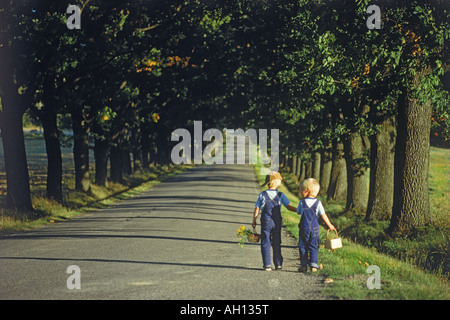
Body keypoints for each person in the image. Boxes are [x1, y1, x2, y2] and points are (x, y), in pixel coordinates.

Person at [252, 172, 297, 271]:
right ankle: (278, 263)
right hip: (276, 222)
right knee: (276, 242)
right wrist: (297, 210)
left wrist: (254, 221)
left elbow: (257, 208)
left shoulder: (262, 194)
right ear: (277, 182)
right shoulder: (281, 195)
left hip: (266, 221)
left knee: (265, 242)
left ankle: (267, 265)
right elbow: (288, 207)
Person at [297, 178, 335, 272]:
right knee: (314, 246)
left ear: (307, 191)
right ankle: (314, 265)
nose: (301, 192)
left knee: (303, 246)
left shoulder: (302, 202)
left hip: (304, 228)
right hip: (315, 229)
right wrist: (330, 225)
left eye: (302, 190)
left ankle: (303, 265)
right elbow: (323, 215)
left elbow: (298, 212)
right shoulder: (318, 203)